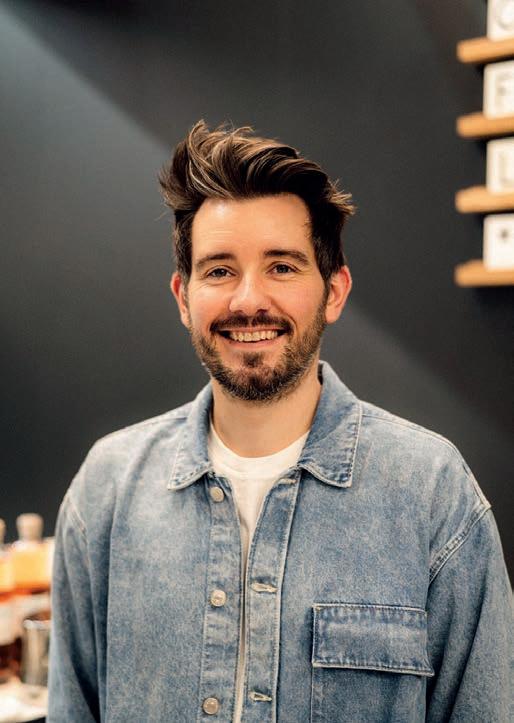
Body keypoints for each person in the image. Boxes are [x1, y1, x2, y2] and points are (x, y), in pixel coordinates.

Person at [47, 120, 513, 723]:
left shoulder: (432, 492)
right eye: (219, 270)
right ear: (183, 297)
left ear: (334, 292)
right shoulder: (106, 490)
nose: (248, 301)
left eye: (283, 267)